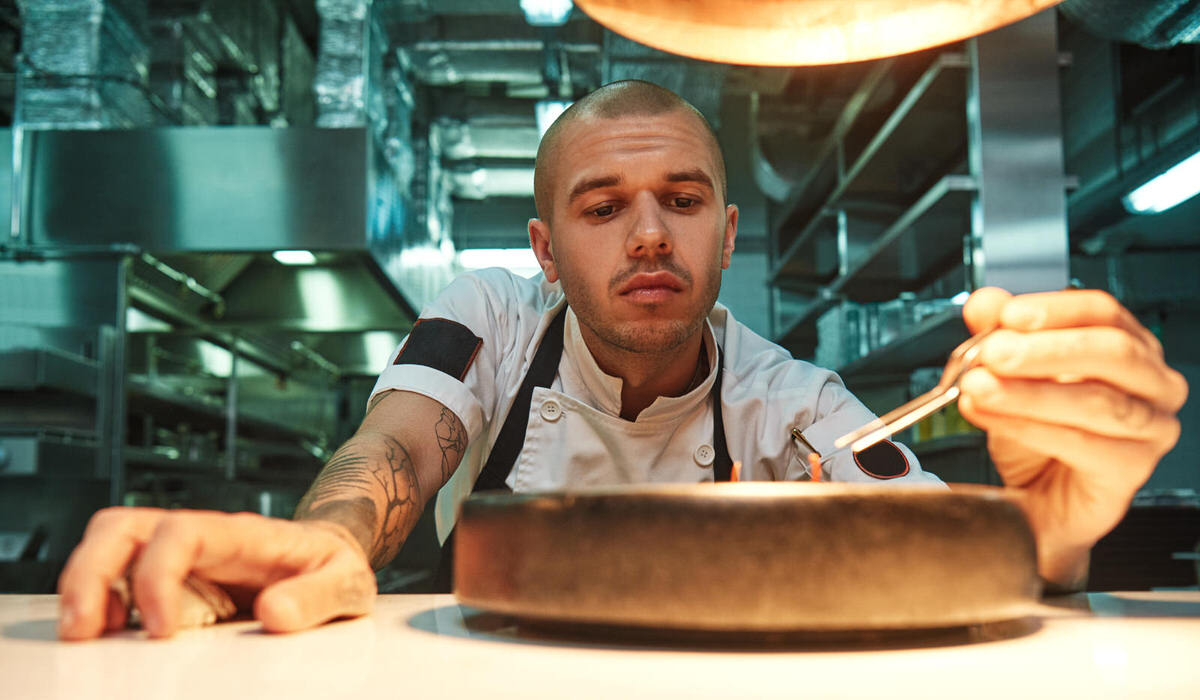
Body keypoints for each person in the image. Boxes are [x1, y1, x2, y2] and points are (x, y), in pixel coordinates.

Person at [55, 81, 1188, 641]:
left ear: (726, 233)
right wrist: (333, 540)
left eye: (683, 201)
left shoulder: (790, 396)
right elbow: (398, 441)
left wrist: (1055, 525)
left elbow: (956, 549)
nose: (650, 233)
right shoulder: (492, 317)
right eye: (604, 206)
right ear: (547, 249)